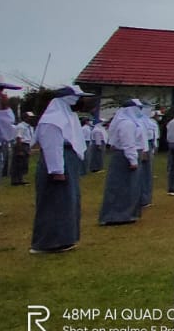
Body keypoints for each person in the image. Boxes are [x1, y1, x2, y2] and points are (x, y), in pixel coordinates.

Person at [31, 85, 93, 254]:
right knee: (54, 202)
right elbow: (52, 146)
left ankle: (64, 239)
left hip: (68, 160)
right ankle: (48, 242)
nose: (82, 102)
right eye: (80, 98)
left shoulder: (69, 117)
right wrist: (57, 170)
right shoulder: (52, 120)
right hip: (58, 164)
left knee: (68, 201)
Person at [100, 99, 145, 225]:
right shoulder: (127, 124)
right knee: (121, 187)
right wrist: (133, 160)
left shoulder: (130, 122)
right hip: (125, 156)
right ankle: (116, 215)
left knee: (129, 186)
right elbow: (128, 143)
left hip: (126, 154)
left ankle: (126, 214)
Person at [12, 112, 35, 185]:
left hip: (27, 145)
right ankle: (16, 180)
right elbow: (19, 138)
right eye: (30, 117)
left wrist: (30, 148)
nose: (31, 119)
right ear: (25, 118)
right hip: (22, 145)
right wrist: (20, 150)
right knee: (19, 163)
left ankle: (21, 179)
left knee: (24, 163)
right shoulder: (21, 126)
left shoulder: (30, 127)